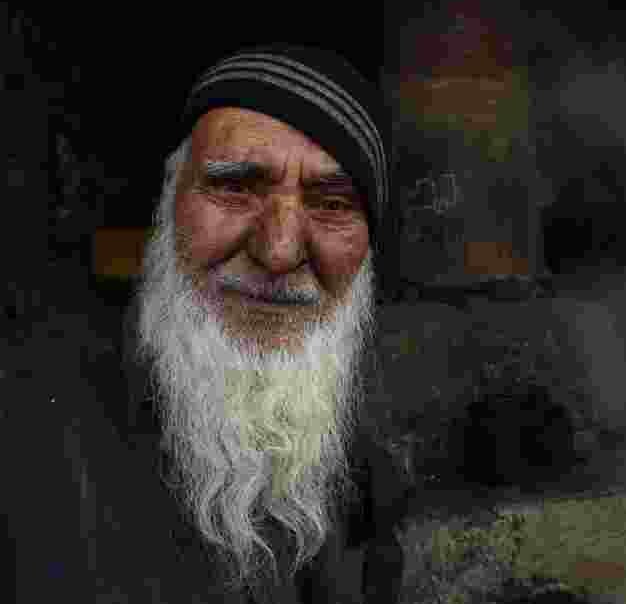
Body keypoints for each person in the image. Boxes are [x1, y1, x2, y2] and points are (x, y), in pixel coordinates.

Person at [3, 43, 410, 603]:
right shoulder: (32, 425)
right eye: (236, 188)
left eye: (333, 205)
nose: (279, 250)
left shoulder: (360, 468)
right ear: (168, 205)